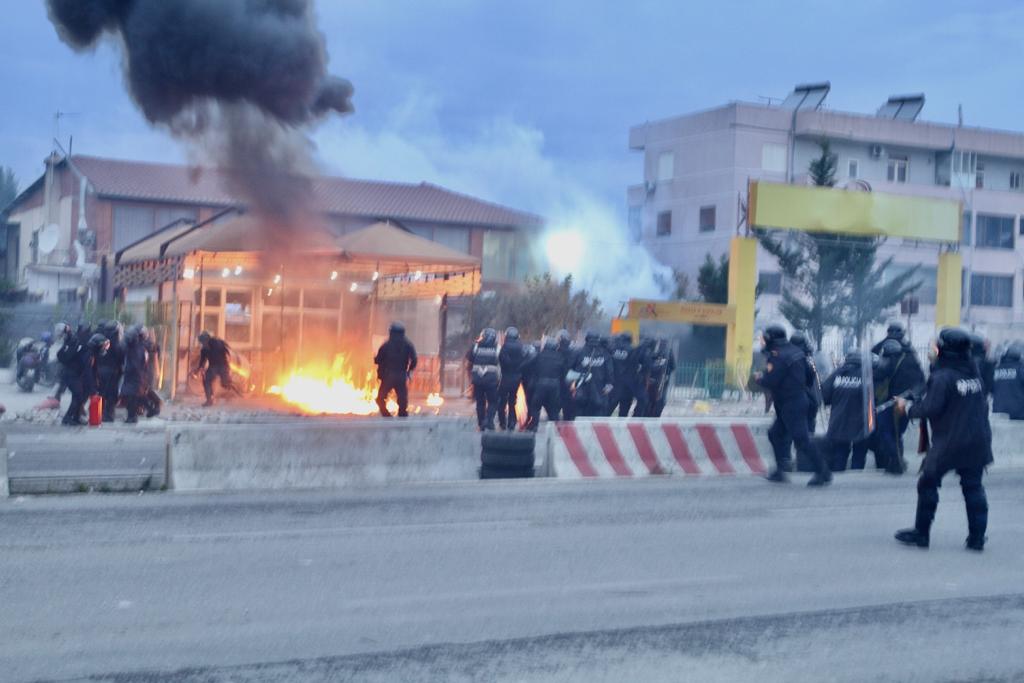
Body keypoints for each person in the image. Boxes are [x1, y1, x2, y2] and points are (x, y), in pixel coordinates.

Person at [894, 328, 992, 551]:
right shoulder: (973, 373)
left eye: (936, 346)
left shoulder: (943, 377)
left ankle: (922, 533)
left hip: (950, 442)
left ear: (945, 350)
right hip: (977, 439)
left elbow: (931, 407)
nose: (933, 350)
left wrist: (906, 408)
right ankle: (977, 538)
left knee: (928, 482)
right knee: (973, 487)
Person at [756, 324, 831, 486]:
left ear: (771, 339)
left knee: (802, 440)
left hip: (791, 404)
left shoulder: (777, 355)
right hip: (795, 400)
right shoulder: (797, 351)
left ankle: (823, 471)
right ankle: (780, 470)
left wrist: (759, 379)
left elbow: (771, 380)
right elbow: (811, 374)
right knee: (775, 434)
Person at [821, 350, 873, 471]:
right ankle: (856, 475)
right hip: (861, 422)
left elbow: (824, 395)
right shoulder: (866, 375)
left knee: (840, 453)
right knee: (859, 453)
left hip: (839, 421)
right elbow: (873, 398)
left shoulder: (837, 374)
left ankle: (839, 475)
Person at [521, 337, 566, 431]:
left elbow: (526, 365)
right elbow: (563, 373)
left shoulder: (539, 355)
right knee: (553, 408)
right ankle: (556, 428)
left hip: (541, 385)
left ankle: (534, 426)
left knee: (535, 406)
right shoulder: (560, 357)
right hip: (555, 386)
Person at [374, 321, 417, 417]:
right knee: (402, 397)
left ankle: (386, 414)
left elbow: (378, 360)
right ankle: (402, 414)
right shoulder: (408, 345)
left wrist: (376, 360)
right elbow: (414, 360)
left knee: (381, 398)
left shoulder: (386, 345)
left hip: (388, 375)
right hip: (401, 375)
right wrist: (409, 371)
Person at [571, 331, 614, 417]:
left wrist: (573, 385)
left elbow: (570, 371)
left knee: (580, 418)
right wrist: (609, 386)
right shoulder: (605, 354)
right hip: (599, 393)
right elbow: (610, 373)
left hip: (581, 393)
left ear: (586, 339)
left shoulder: (578, 352)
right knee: (597, 420)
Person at [466, 327, 501, 431]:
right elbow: (502, 361)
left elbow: (469, 359)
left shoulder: (476, 346)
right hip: (491, 380)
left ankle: (481, 423)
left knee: (480, 402)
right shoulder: (497, 348)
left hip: (478, 379)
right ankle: (489, 421)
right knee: (493, 402)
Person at [608, 332, 649, 417]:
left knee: (609, 408)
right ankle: (633, 420)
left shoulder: (612, 348)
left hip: (614, 382)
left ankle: (601, 421)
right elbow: (642, 364)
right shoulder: (633, 349)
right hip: (628, 384)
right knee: (624, 409)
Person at [57, 324, 88, 426]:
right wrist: (76, 349)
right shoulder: (70, 344)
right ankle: (68, 417)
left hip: (75, 373)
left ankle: (75, 417)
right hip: (71, 373)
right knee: (78, 395)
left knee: (79, 395)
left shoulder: (72, 341)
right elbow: (68, 356)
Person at [497, 327, 527, 431]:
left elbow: (501, 359)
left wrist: (507, 367)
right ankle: (512, 422)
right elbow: (525, 359)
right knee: (512, 401)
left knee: (502, 401)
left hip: (506, 377)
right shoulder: (521, 347)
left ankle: (502, 423)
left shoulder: (505, 347)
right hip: (517, 378)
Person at [195, 330, 234, 407]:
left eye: (204, 341)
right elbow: (203, 360)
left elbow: (226, 351)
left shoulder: (217, 343)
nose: (203, 344)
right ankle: (209, 400)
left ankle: (229, 394)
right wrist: (200, 368)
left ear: (207, 339)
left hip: (223, 365)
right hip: (213, 366)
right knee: (207, 381)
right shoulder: (204, 349)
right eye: (202, 342)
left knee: (225, 383)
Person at [95, 321, 123, 422]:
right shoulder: (115, 343)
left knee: (102, 393)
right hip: (112, 372)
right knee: (111, 394)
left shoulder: (101, 340)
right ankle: (108, 414)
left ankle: (100, 413)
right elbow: (120, 357)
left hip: (101, 370)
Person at [121, 325, 147, 424]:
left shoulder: (133, 347)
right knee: (132, 395)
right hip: (135, 374)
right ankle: (132, 416)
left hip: (132, 373)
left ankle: (131, 416)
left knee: (131, 396)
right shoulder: (139, 347)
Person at [991, 345, 1024, 419]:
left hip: (999, 413)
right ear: (1019, 357)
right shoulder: (1020, 369)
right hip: (1018, 414)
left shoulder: (996, 369)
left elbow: (991, 389)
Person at [646, 338, 676, 417]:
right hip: (662, 380)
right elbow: (673, 366)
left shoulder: (649, 350)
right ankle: (655, 416)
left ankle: (648, 415)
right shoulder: (668, 351)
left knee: (649, 398)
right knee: (660, 399)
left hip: (651, 380)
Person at [140, 326, 162, 417]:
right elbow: (158, 357)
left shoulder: (143, 345)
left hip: (146, 370)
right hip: (152, 369)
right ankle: (154, 404)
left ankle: (150, 406)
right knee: (148, 388)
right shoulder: (155, 345)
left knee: (145, 389)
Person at [555, 330, 577, 421]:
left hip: (558, 381)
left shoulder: (556, 350)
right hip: (569, 381)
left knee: (556, 406)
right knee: (568, 407)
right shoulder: (573, 352)